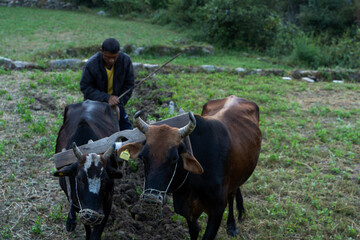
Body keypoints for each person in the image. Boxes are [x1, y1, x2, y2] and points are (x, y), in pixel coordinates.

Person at [80, 38, 134, 130]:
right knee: (90, 131)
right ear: (101, 51)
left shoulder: (126, 61)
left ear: (119, 52)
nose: (111, 60)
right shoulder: (91, 64)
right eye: (108, 57)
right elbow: (86, 87)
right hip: (94, 104)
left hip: (116, 104)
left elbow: (129, 85)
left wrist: (118, 103)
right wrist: (107, 98)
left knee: (127, 131)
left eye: (114, 57)